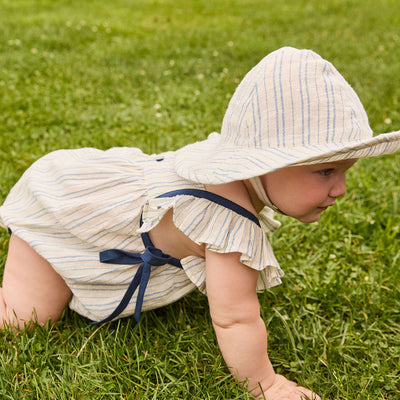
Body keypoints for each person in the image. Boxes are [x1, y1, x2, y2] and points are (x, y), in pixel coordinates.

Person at [0, 46, 399, 400]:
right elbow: (234, 316)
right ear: (268, 164)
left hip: (81, 191)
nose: (342, 189)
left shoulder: (225, 173)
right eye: (326, 172)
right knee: (21, 318)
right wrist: (268, 385)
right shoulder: (229, 221)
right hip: (66, 214)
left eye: (344, 172)